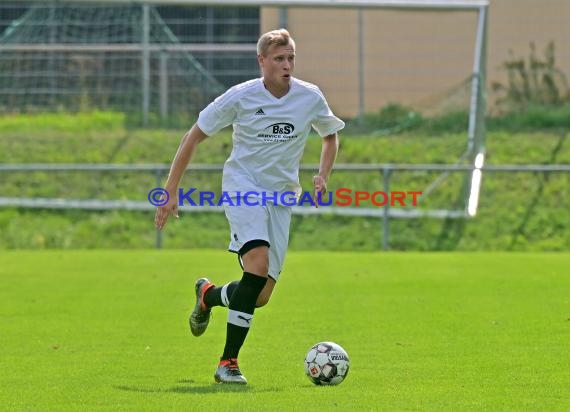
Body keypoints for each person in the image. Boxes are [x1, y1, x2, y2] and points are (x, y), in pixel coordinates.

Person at [154, 28, 344, 384]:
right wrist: (170, 190)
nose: (286, 65)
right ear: (262, 61)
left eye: (290, 59)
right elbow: (193, 136)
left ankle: (208, 295)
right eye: (279, 59)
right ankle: (228, 363)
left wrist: (322, 174)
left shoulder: (309, 96)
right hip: (244, 189)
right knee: (256, 265)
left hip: (282, 197)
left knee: (259, 296)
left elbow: (329, 135)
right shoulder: (241, 97)